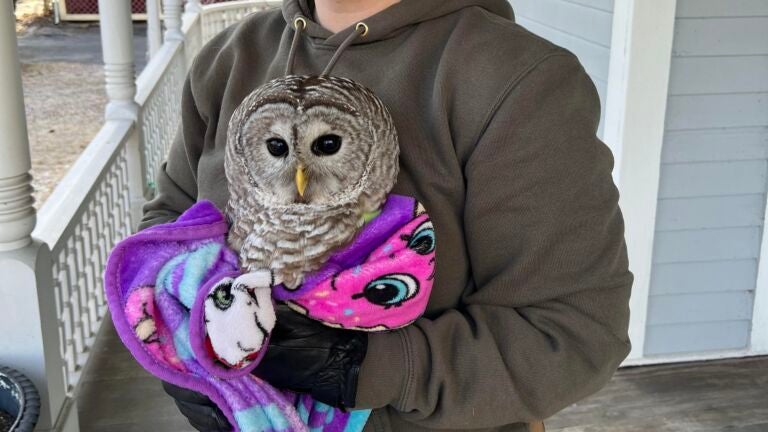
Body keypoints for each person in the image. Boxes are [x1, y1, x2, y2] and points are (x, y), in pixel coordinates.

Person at [140, 0, 634, 431]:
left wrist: (366, 368)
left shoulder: (516, 81)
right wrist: (182, 350)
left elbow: (572, 335)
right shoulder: (230, 59)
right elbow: (168, 228)